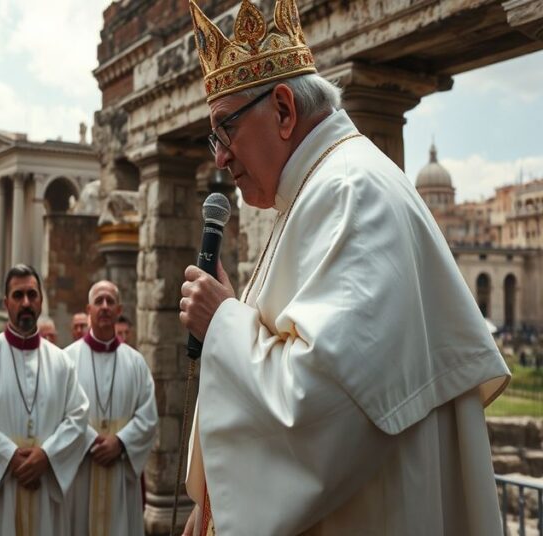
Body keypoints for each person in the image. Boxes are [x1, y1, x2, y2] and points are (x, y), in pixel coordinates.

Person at [178, 1, 511, 533]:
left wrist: (222, 322)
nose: (219, 156)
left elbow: (324, 404)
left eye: (225, 130)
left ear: (283, 109)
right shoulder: (318, 190)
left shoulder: (352, 192)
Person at [0, 264, 88, 535]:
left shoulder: (62, 363)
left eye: (32, 294)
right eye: (18, 296)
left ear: (41, 301)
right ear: (6, 303)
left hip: (45, 492)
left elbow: (78, 417)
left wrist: (47, 455)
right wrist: (10, 458)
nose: (26, 302)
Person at [66, 281, 157, 536]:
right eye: (99, 301)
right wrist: (90, 440)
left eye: (110, 301)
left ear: (119, 310)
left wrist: (120, 441)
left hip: (119, 471)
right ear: (88, 310)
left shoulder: (136, 363)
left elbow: (148, 417)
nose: (104, 307)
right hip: (82, 470)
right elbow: (60, 413)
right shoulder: (67, 361)